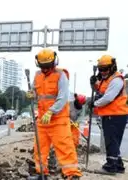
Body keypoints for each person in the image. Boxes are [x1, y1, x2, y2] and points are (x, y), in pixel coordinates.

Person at [27, 48, 82, 180]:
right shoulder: (37, 75)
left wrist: (51, 111)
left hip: (58, 119)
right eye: (42, 66)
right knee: (40, 148)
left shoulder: (61, 75)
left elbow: (62, 98)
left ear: (54, 62)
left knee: (65, 148)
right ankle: (41, 173)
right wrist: (32, 95)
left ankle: (72, 175)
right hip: (42, 119)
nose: (45, 69)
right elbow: (37, 95)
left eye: (48, 66)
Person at [90, 55, 128, 174]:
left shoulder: (116, 79)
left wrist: (95, 103)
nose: (102, 72)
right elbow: (100, 91)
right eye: (100, 69)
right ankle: (119, 165)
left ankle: (110, 166)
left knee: (111, 140)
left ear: (112, 67)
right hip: (112, 114)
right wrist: (94, 83)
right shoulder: (105, 79)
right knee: (114, 141)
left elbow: (108, 97)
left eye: (105, 69)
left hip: (116, 114)